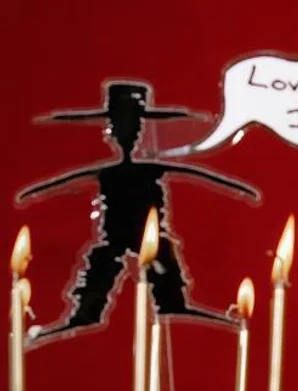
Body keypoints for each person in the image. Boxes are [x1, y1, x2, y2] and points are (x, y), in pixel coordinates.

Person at [16, 82, 258, 343]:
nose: (125, 133)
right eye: (118, 127)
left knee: (162, 266)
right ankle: (85, 312)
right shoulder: (111, 172)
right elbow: (67, 181)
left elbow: (199, 175)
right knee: (102, 268)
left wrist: (242, 190)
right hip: (115, 234)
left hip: (146, 233)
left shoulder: (149, 169)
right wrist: (33, 193)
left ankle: (173, 301)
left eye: (131, 126)